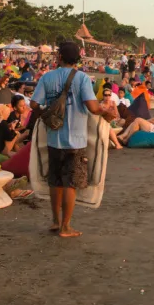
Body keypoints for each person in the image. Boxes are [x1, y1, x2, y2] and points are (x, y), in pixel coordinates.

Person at [29, 41, 111, 239]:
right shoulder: (82, 78)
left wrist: (48, 114)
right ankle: (66, 226)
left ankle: (55, 221)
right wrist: (106, 109)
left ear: (59, 58)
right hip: (76, 139)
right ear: (78, 59)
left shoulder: (47, 77)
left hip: (53, 137)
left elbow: (33, 104)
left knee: (55, 181)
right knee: (70, 183)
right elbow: (92, 107)